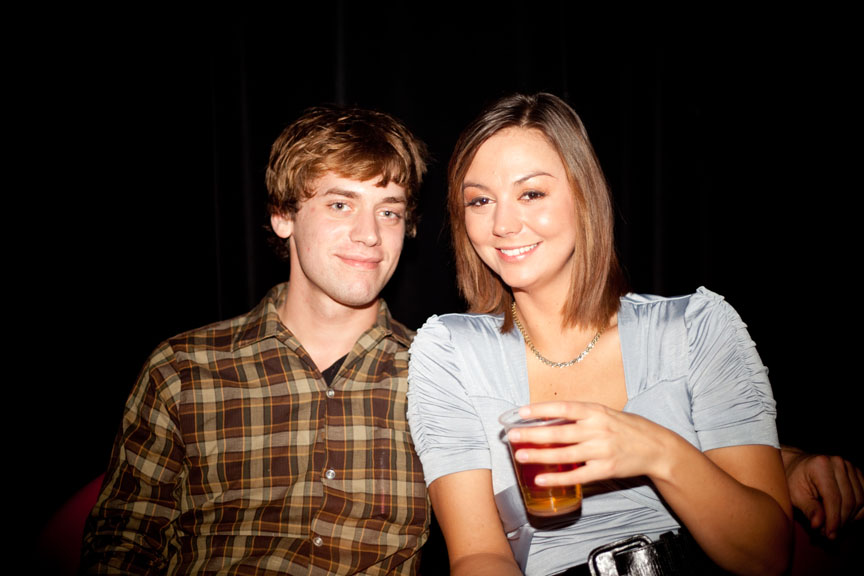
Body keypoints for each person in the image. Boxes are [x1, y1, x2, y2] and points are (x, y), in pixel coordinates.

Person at [406, 92, 795, 576]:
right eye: (480, 201)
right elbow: (477, 554)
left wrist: (658, 451)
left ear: (584, 195)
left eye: (532, 194)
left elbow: (767, 556)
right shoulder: (451, 350)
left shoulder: (696, 327)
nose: (503, 224)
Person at [80, 104, 430, 575]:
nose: (369, 235)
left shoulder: (436, 376)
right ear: (284, 216)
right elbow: (121, 547)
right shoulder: (184, 369)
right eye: (340, 204)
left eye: (388, 212)